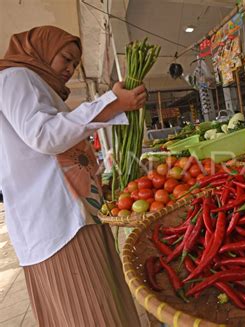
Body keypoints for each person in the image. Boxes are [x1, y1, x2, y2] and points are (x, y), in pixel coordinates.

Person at [0, 26, 146, 326]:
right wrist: (111, 105)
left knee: (101, 303)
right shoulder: (16, 77)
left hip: (66, 216)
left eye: (74, 65)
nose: (69, 69)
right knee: (93, 310)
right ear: (40, 49)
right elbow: (44, 136)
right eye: (66, 59)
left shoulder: (34, 84)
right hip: (59, 223)